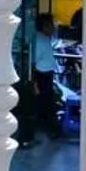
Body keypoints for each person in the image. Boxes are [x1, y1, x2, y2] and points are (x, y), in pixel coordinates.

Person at [32, 13, 60, 141]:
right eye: (51, 24)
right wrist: (35, 83)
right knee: (44, 104)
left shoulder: (43, 39)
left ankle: (51, 130)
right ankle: (31, 133)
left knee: (46, 104)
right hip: (41, 76)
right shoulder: (39, 40)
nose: (54, 27)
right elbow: (33, 62)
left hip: (46, 75)